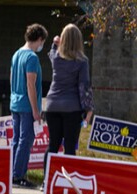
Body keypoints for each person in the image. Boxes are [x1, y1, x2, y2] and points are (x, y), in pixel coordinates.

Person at [45, 24, 92, 167]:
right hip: (71, 107)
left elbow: (51, 51)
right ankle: (67, 182)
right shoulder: (82, 61)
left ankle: (47, 181)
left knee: (53, 145)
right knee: (70, 147)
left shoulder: (56, 57)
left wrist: (55, 43)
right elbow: (84, 86)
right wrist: (88, 109)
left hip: (52, 106)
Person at [10, 23, 47, 189]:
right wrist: (35, 110)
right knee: (26, 140)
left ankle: (12, 172)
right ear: (39, 39)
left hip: (15, 102)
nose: (41, 46)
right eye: (42, 42)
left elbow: (12, 78)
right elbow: (30, 84)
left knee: (16, 140)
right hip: (26, 105)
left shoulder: (17, 54)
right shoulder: (32, 57)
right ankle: (18, 176)